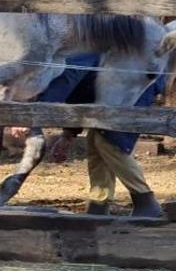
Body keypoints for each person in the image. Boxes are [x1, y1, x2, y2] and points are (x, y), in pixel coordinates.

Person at [9, 53, 164, 217]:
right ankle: (99, 204)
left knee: (108, 141)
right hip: (110, 91)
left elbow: (67, 81)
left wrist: (33, 117)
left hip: (136, 84)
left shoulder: (70, 56)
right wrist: (68, 134)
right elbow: (79, 94)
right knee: (96, 140)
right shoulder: (52, 62)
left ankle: (145, 200)